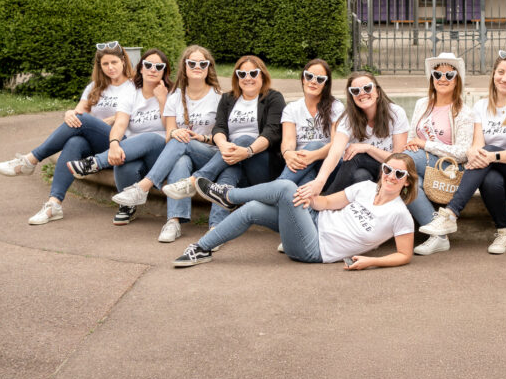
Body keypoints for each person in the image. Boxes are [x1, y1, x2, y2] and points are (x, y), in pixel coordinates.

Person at [175, 152, 416, 269]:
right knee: (254, 208)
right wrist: (308, 198)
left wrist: (371, 262)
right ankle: (201, 248)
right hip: (313, 220)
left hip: (315, 248)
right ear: (382, 170)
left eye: (399, 174)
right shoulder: (364, 187)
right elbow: (326, 203)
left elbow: (404, 255)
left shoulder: (400, 214)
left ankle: (228, 196)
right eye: (387, 169)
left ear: (407, 181)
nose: (391, 177)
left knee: (286, 187)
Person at [0, 41, 135, 225]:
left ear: (123, 61)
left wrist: (100, 121)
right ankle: (54, 204)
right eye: (105, 64)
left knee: (83, 122)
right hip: (97, 144)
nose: (110, 68)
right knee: (74, 142)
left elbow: (129, 118)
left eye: (114, 62)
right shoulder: (95, 86)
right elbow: (78, 115)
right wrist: (69, 114)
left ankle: (31, 160)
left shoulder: (134, 86)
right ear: (99, 66)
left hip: (121, 144)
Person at [419, 50, 506, 254]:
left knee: (489, 152)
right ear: (493, 74)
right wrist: (478, 154)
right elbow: (477, 147)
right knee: (489, 177)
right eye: (501, 72)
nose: (505, 78)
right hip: (499, 176)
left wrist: (490, 155)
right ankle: (504, 232)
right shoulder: (481, 106)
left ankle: (450, 213)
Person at [94, 46, 222, 242]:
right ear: (185, 67)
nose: (197, 67)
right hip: (182, 154)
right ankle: (174, 222)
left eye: (202, 63)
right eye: (192, 63)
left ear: (208, 68)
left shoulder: (219, 97)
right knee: (180, 158)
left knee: (183, 140)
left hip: (207, 155)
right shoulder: (175, 97)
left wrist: (200, 138)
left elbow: (222, 137)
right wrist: (177, 132)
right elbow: (170, 134)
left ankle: (143, 187)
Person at [162, 55, 284, 236]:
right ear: (236, 76)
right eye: (242, 73)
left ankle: (194, 181)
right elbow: (219, 127)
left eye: (253, 73)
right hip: (231, 159)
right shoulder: (228, 98)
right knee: (225, 167)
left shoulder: (273, 98)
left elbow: (272, 132)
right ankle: (216, 228)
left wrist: (247, 151)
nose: (247, 77)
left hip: (259, 164)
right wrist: (225, 146)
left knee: (242, 140)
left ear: (262, 75)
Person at [66, 49, 172, 225]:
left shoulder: (172, 92)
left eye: (158, 66)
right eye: (148, 65)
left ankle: (95, 162)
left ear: (165, 71)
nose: (153, 69)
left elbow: (169, 127)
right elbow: (121, 123)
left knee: (151, 137)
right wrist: (114, 144)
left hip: (160, 153)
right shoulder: (131, 92)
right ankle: (127, 206)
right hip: (132, 150)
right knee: (122, 159)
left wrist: (162, 101)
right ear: (141, 68)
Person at [292, 71, 408, 207]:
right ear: (351, 96)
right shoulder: (349, 119)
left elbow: (397, 159)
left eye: (367, 88)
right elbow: (335, 152)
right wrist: (319, 181)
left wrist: (368, 148)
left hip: (389, 171)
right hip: (363, 173)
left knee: (357, 155)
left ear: (377, 91)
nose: (362, 93)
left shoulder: (395, 113)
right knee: (361, 176)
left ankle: (323, 203)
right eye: (355, 90)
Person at [403, 52, 475, 256]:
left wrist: (426, 145)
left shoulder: (463, 112)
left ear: (457, 80)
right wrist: (416, 147)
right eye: (438, 74)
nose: (442, 79)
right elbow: (411, 138)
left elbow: (462, 153)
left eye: (449, 75)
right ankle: (439, 238)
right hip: (418, 164)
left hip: (447, 168)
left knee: (401, 165)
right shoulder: (421, 104)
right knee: (408, 183)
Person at [278, 59, 345, 186]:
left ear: (325, 84)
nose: (313, 81)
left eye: (320, 79)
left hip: (329, 166)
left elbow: (336, 144)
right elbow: (288, 141)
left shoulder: (336, 107)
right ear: (303, 79)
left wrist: (313, 155)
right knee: (300, 186)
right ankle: (284, 193)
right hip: (300, 165)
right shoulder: (291, 108)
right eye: (309, 76)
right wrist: (288, 154)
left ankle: (278, 187)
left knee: (315, 145)